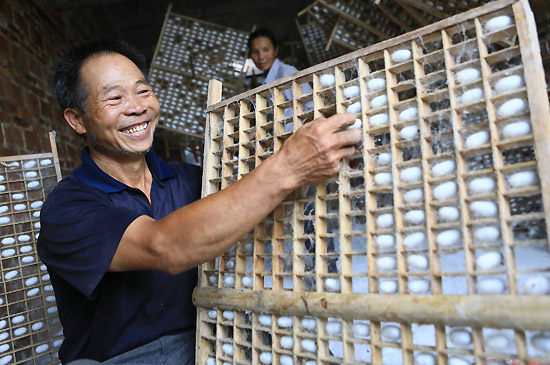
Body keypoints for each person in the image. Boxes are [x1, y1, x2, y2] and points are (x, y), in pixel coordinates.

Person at [37, 40, 361, 364]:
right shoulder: (67, 208)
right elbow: (162, 247)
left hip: (214, 340)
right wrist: (288, 165)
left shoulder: (192, 179)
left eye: (143, 91)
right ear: (77, 120)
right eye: (115, 97)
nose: (137, 107)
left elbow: (251, 205)